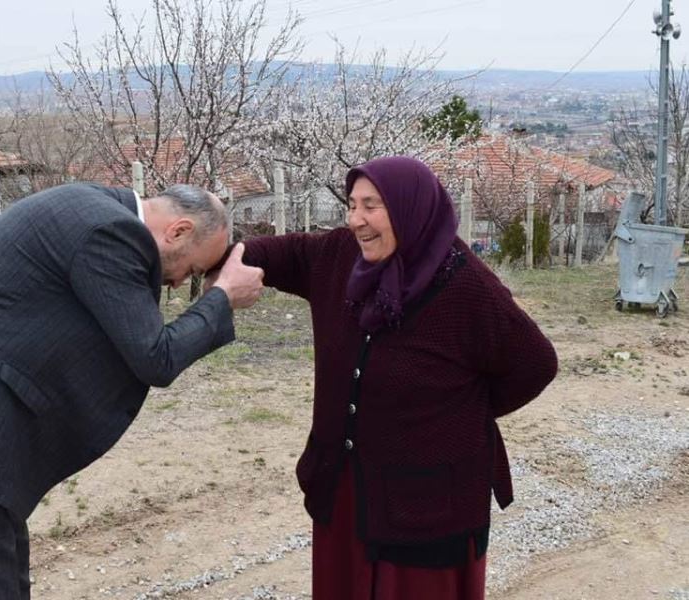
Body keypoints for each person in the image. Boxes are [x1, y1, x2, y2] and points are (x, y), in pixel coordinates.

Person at [0, 182, 264, 599]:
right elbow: (155, 357)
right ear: (178, 231)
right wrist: (222, 297)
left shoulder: (93, 204)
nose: (180, 284)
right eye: (194, 270)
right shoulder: (111, 233)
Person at [234, 157, 557, 599]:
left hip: (427, 506)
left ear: (409, 208)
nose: (356, 220)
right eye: (351, 205)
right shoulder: (344, 256)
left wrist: (458, 411)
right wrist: (215, 252)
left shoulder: (466, 288)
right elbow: (284, 254)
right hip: (348, 490)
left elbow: (536, 363)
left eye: (372, 205)